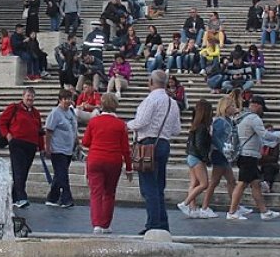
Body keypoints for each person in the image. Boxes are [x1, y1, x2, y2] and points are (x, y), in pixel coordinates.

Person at [128, 70, 181, 234]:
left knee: (148, 186)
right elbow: (177, 130)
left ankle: (153, 224)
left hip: (148, 143)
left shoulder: (150, 100)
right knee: (158, 186)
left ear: (151, 82)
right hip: (164, 143)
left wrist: (126, 125)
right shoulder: (173, 103)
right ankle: (162, 223)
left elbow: (141, 121)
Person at [226, 96, 280, 221]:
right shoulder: (254, 118)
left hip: (246, 154)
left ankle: (264, 212)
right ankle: (232, 211)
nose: (262, 112)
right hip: (249, 156)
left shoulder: (242, 117)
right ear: (257, 106)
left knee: (256, 184)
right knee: (242, 184)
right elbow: (264, 135)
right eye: (262, 108)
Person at [83, 93, 132, 233]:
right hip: (113, 161)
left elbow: (85, 142)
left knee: (96, 192)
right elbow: (125, 149)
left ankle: (96, 224)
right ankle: (105, 224)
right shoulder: (121, 124)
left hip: (95, 159)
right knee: (109, 193)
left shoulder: (93, 122)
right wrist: (129, 168)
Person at [0, 88, 43, 208]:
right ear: (23, 96)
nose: (30, 98)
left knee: (24, 171)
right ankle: (21, 197)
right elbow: (1, 122)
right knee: (18, 170)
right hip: (17, 143)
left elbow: (39, 131)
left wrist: (41, 147)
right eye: (28, 95)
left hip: (31, 145)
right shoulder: (14, 108)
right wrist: (7, 135)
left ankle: (14, 196)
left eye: (32, 96)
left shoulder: (36, 113)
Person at [177, 100, 215, 218]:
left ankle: (192, 208)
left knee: (194, 183)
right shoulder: (202, 127)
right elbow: (200, 145)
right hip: (197, 157)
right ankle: (185, 203)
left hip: (191, 155)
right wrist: (206, 158)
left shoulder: (195, 125)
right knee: (204, 184)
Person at [43, 90, 78, 208]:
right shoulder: (55, 113)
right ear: (60, 100)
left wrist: (76, 140)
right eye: (65, 99)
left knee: (59, 174)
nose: (68, 101)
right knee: (63, 174)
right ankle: (66, 198)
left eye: (69, 99)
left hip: (68, 148)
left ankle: (52, 197)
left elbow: (73, 128)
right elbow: (49, 131)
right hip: (57, 149)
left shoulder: (71, 112)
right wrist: (47, 147)